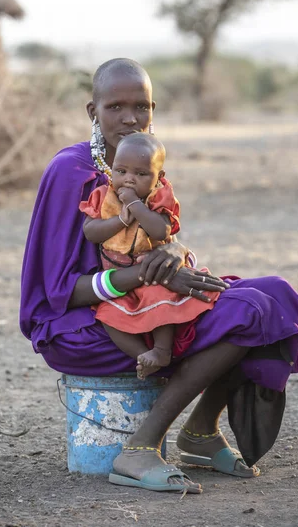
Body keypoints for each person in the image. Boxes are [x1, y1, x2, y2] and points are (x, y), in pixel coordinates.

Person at [20, 58, 298, 494]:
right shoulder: (71, 171)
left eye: (141, 106)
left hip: (148, 308)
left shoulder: (143, 160)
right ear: (92, 112)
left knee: (277, 294)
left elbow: (162, 241)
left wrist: (176, 255)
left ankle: (200, 433)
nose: (130, 117)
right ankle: (140, 448)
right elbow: (58, 294)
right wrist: (143, 276)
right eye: (115, 106)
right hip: (82, 326)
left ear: (153, 109)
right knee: (249, 311)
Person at [79, 132, 220, 379]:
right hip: (119, 276)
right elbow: (90, 232)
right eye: (121, 171)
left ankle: (162, 350)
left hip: (154, 272)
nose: (129, 180)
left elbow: (160, 229)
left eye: (141, 174)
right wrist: (120, 219)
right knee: (107, 315)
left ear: (159, 177)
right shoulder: (103, 195)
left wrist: (135, 205)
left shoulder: (159, 197)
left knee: (161, 303)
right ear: (112, 169)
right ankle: (143, 356)